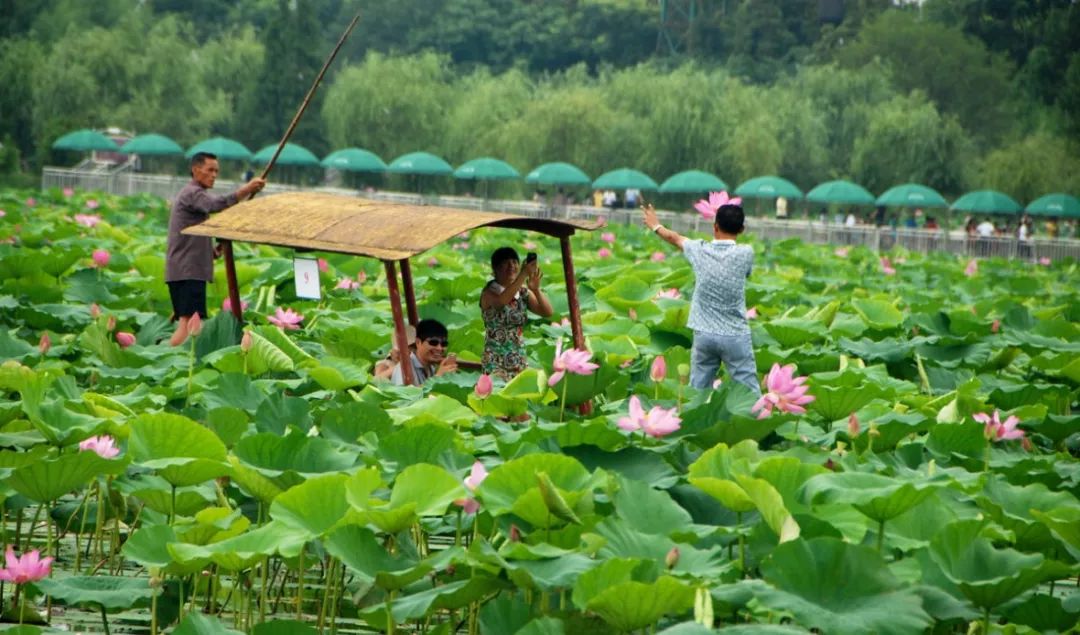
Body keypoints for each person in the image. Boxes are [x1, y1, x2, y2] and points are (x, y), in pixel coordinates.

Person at [642, 202, 761, 395]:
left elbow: (675, 238)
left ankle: (694, 421)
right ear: (741, 229)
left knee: (697, 391)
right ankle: (758, 423)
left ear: (714, 226)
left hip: (704, 334)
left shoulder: (699, 250)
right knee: (749, 393)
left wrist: (655, 225)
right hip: (735, 335)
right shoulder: (746, 252)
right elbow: (746, 274)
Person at [166, 152, 265, 346]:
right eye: (210, 170)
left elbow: (189, 238)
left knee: (187, 323)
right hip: (188, 271)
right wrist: (246, 189)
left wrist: (211, 252)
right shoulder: (192, 193)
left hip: (184, 269)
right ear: (196, 170)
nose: (214, 175)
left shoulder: (193, 198)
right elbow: (216, 204)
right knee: (189, 326)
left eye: (216, 171)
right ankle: (172, 362)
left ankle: (173, 361)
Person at [480, 247, 554, 380]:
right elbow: (501, 302)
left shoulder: (523, 292)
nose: (511, 266)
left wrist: (536, 290)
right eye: (505, 263)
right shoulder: (489, 293)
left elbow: (547, 312)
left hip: (518, 356)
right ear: (494, 269)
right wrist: (523, 275)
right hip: (495, 359)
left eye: (514, 262)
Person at [391, 319, 458, 386]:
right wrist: (437, 378)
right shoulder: (404, 368)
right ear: (418, 342)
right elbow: (406, 395)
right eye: (433, 343)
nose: (439, 348)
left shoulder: (431, 367)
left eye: (444, 344)